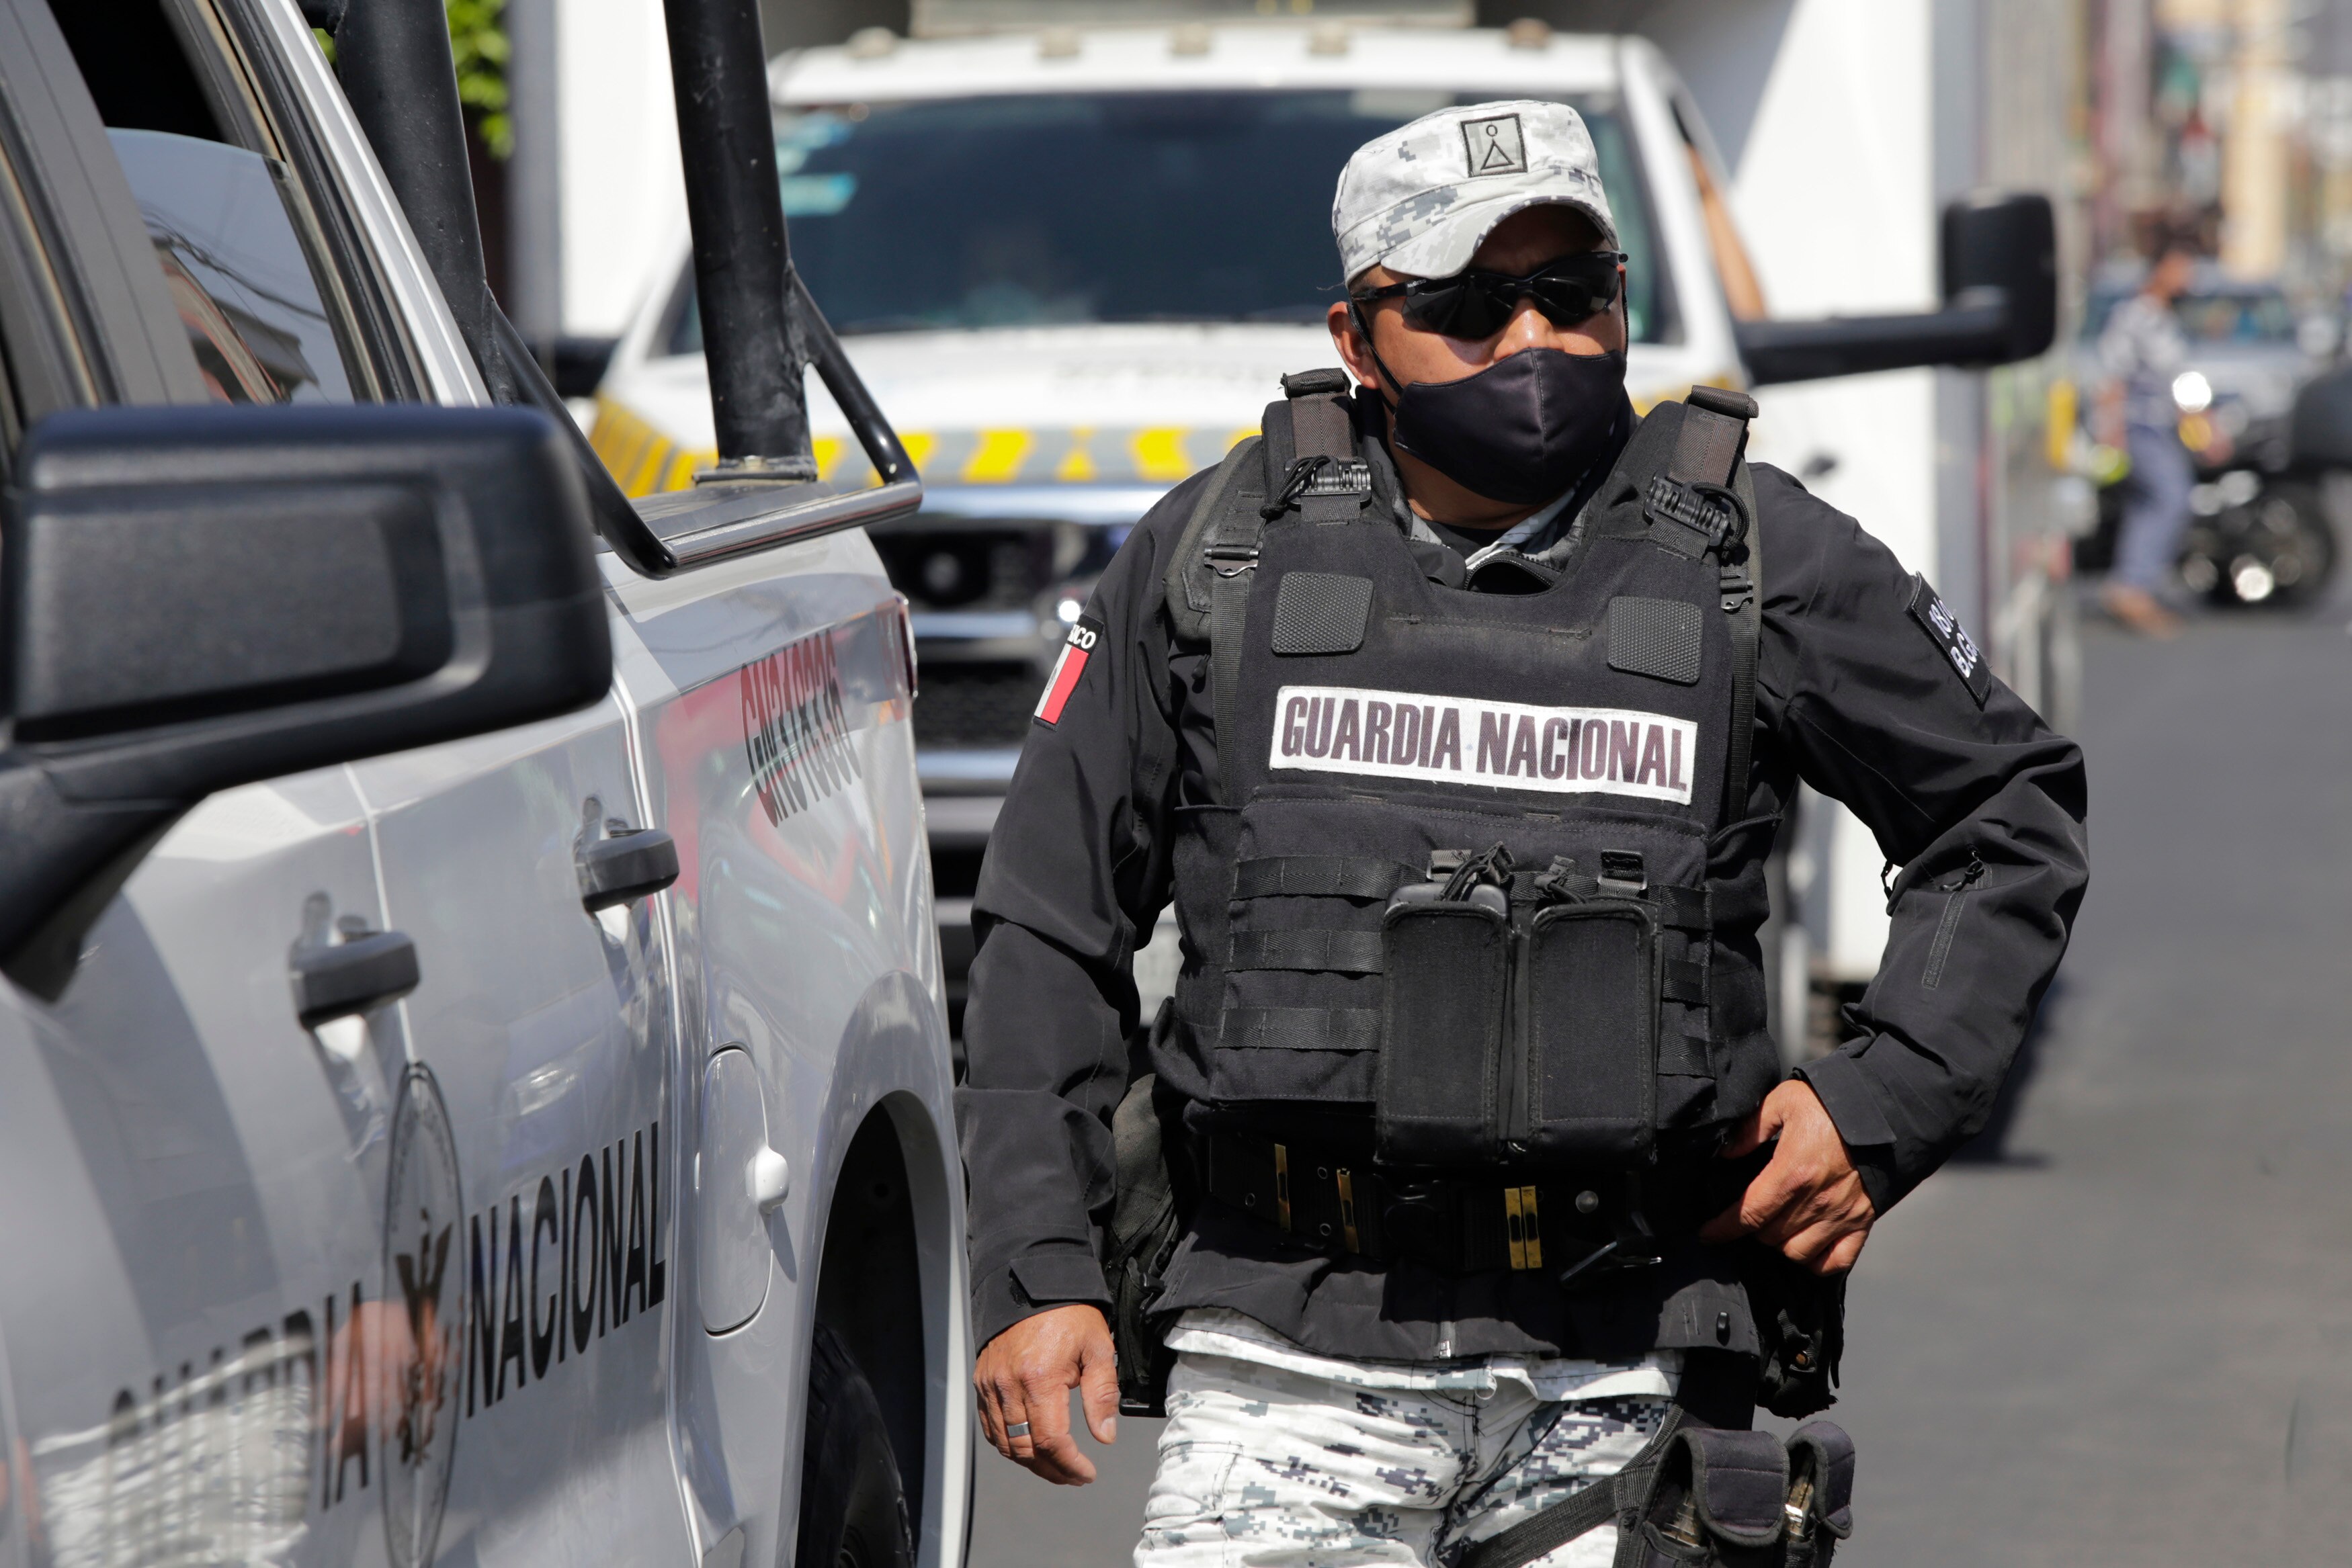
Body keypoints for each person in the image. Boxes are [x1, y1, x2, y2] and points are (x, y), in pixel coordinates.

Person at [957, 99, 2089, 1565]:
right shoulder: (1215, 559)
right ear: (1359, 338)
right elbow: (1049, 925)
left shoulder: (1760, 556)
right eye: (1469, 306)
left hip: (1636, 1365)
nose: (1534, 339)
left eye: (1572, 290)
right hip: (1284, 1361)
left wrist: (1884, 1102)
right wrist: (1039, 1263)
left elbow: (2004, 811)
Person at [2094, 233, 2206, 637]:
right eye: (2182, 268)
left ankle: (2135, 586)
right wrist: (2111, 432)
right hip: (2138, 428)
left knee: (2150, 504)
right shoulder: (2134, 316)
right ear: (2161, 268)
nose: (2187, 278)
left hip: (2162, 427)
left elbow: (2177, 382)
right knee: (2169, 497)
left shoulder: (2164, 317)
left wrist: (2203, 425)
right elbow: (2113, 378)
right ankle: (2131, 586)